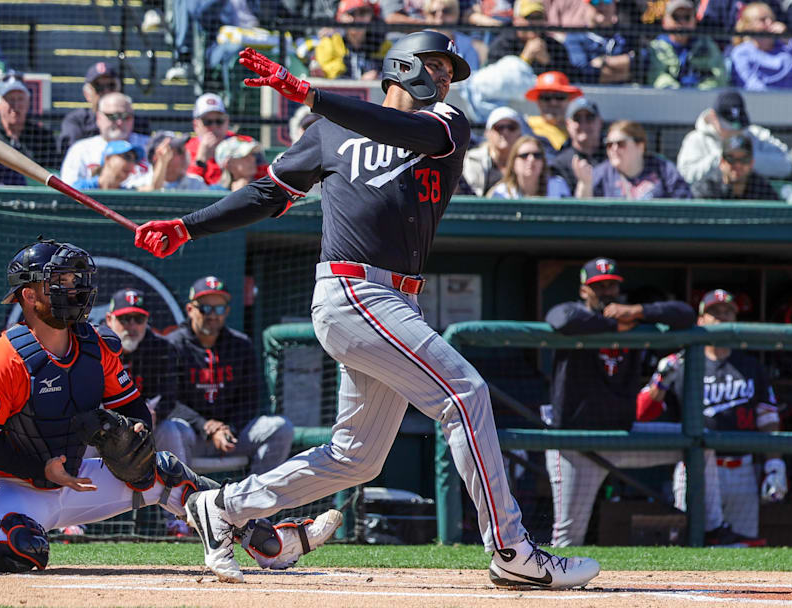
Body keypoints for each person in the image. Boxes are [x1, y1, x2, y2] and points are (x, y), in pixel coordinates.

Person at [134, 31, 601, 588]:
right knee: (465, 393)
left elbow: (398, 128)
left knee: (357, 457)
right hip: (352, 290)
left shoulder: (447, 122)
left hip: (396, 298)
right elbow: (266, 194)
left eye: (450, 68)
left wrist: (311, 94)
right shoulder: (328, 132)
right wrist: (188, 226)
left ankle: (224, 508)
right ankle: (512, 549)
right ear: (402, 66)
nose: (445, 76)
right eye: (435, 64)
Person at [0, 239, 340, 573]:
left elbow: (135, 409)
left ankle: (270, 542)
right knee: (26, 551)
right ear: (27, 296)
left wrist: (131, 437)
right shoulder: (0, 360)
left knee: (167, 472)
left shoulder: (96, 346)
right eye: (58, 282)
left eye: (75, 280)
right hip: (7, 487)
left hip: (76, 479)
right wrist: (42, 470)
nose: (73, 289)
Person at [544, 258, 759, 547]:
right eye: (599, 287)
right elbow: (561, 319)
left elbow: (682, 314)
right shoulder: (574, 312)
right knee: (568, 539)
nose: (607, 292)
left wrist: (638, 311)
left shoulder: (632, 318)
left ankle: (711, 527)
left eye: (612, 286)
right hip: (576, 443)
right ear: (584, 290)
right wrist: (614, 325)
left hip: (623, 436)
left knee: (698, 443)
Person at [637, 289, 786, 540]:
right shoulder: (682, 363)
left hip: (742, 469)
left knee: (742, 544)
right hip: (696, 467)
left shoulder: (751, 366)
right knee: (689, 541)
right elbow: (643, 413)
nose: (721, 318)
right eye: (714, 313)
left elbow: (767, 418)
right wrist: (661, 380)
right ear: (700, 320)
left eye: (728, 313)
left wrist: (774, 462)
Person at [160, 276, 294, 481]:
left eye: (219, 309)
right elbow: (168, 401)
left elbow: (249, 400)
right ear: (190, 309)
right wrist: (206, 426)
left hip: (230, 436)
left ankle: (254, 506)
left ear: (227, 312)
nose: (213, 315)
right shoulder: (171, 345)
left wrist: (228, 429)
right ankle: (178, 511)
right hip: (191, 436)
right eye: (205, 308)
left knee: (280, 428)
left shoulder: (241, 345)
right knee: (171, 428)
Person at [101, 288, 189, 536]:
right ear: (109, 320)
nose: (131, 326)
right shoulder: (94, 345)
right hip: (102, 426)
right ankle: (71, 524)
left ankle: (180, 517)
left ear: (147, 321)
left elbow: (170, 396)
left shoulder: (161, 348)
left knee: (172, 429)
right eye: (124, 319)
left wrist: (154, 412)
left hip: (145, 425)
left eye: (138, 319)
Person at [676, 89, 791, 184]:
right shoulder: (696, 139)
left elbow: (786, 165)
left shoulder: (756, 134)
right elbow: (685, 175)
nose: (734, 131)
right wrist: (722, 158)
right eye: (728, 126)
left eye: (737, 126)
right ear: (713, 117)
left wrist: (746, 158)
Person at [57, 62, 152, 158]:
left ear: (119, 88)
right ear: (87, 94)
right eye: (99, 87)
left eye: (111, 85)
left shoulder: (135, 121)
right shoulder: (77, 121)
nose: (106, 91)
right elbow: (71, 155)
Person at [586, 120, 691, 200]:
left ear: (640, 146)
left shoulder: (663, 169)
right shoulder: (601, 173)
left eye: (621, 144)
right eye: (609, 145)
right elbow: (583, 211)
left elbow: (685, 203)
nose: (614, 149)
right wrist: (584, 184)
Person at [60, 92, 149, 186]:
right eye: (113, 116)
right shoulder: (80, 149)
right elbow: (68, 188)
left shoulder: (150, 145)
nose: (119, 122)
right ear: (99, 118)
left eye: (126, 117)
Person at [728, 2, 792, 90]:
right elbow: (750, 84)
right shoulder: (741, 53)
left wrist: (787, 39)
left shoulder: (788, 46)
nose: (769, 23)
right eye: (762, 20)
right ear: (748, 26)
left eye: (771, 19)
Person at [185, 93, 268, 187]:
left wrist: (248, 182)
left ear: (227, 121)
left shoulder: (244, 143)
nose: (214, 126)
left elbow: (265, 176)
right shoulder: (185, 149)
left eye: (219, 121)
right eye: (207, 122)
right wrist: (199, 161)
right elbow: (185, 188)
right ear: (196, 125)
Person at [647, 0, 728, 90]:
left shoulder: (707, 45)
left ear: (694, 21)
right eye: (676, 17)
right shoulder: (656, 48)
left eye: (687, 17)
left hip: (702, 99)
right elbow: (657, 77)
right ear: (664, 21)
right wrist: (678, 94)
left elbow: (719, 77)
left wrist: (697, 93)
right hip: (668, 100)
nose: (682, 22)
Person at [0, 71, 60, 170]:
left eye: (20, 99)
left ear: (28, 102)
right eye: (10, 99)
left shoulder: (43, 137)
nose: (16, 105)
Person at [311, 0, 391, 80]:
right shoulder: (329, 43)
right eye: (351, 14)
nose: (357, 19)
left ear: (371, 16)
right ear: (340, 17)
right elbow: (328, 78)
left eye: (362, 13)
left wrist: (378, 76)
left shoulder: (383, 45)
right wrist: (361, 82)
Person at [488, 0, 571, 76]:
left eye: (538, 17)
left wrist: (548, 63)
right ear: (516, 20)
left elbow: (570, 79)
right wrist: (524, 59)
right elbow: (495, 81)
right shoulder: (502, 44)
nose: (534, 23)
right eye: (529, 17)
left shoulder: (555, 46)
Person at [562, 0, 635, 84]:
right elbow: (583, 73)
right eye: (595, 2)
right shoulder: (574, 37)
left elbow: (642, 60)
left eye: (607, 1)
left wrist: (604, 61)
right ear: (585, 7)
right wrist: (626, 73)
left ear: (614, 5)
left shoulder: (627, 35)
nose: (602, 6)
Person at [690, 133, 778, 201]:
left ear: (752, 163)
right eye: (731, 159)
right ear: (722, 162)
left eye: (744, 159)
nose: (738, 165)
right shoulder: (706, 189)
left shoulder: (762, 189)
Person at [461, 106, 523, 197]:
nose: (505, 132)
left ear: (520, 133)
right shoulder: (470, 160)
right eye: (499, 127)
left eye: (511, 127)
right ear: (487, 133)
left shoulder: (529, 158)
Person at [550, 96, 606, 193]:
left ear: (600, 122)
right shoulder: (560, 164)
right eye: (577, 119)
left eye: (589, 118)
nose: (584, 124)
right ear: (568, 125)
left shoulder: (613, 156)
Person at [486, 135, 571, 198]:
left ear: (543, 162)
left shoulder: (557, 186)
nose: (531, 159)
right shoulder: (500, 192)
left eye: (537, 155)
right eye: (524, 155)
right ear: (513, 163)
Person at [523, 71, 583, 160]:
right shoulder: (524, 125)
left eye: (559, 97)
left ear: (569, 100)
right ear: (538, 102)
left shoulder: (579, 129)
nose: (553, 103)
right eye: (546, 98)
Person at [135, 131, 209, 192]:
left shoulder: (196, 183)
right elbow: (152, 191)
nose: (185, 155)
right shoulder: (139, 182)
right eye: (179, 151)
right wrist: (162, 163)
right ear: (157, 156)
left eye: (184, 150)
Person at [422, 0, 481, 71]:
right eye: (433, 13)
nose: (440, 16)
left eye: (446, 11)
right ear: (426, 15)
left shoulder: (466, 44)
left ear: (456, 14)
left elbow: (471, 74)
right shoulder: (419, 41)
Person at [72, 140, 145, 191]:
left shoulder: (128, 195)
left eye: (135, 160)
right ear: (108, 158)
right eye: (127, 157)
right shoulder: (82, 188)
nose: (131, 164)